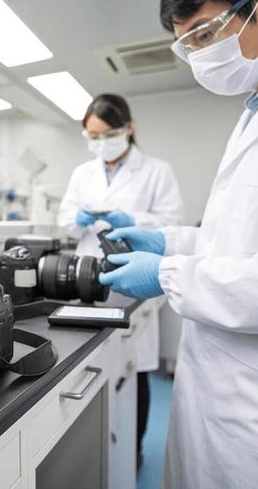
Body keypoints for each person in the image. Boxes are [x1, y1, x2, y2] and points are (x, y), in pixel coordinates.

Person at [98, 0, 258, 487]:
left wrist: (169, 273)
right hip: (219, 392)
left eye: (204, 34)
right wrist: (170, 242)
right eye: (187, 46)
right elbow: (243, 241)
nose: (199, 57)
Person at [58, 93, 184, 469]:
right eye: (93, 136)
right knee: (89, 365)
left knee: (134, 371)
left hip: (135, 278)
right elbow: (64, 221)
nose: (101, 143)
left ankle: (134, 451)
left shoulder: (157, 170)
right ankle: (96, 450)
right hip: (88, 277)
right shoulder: (82, 173)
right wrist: (78, 218)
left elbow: (172, 224)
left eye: (109, 134)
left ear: (128, 128)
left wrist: (133, 219)